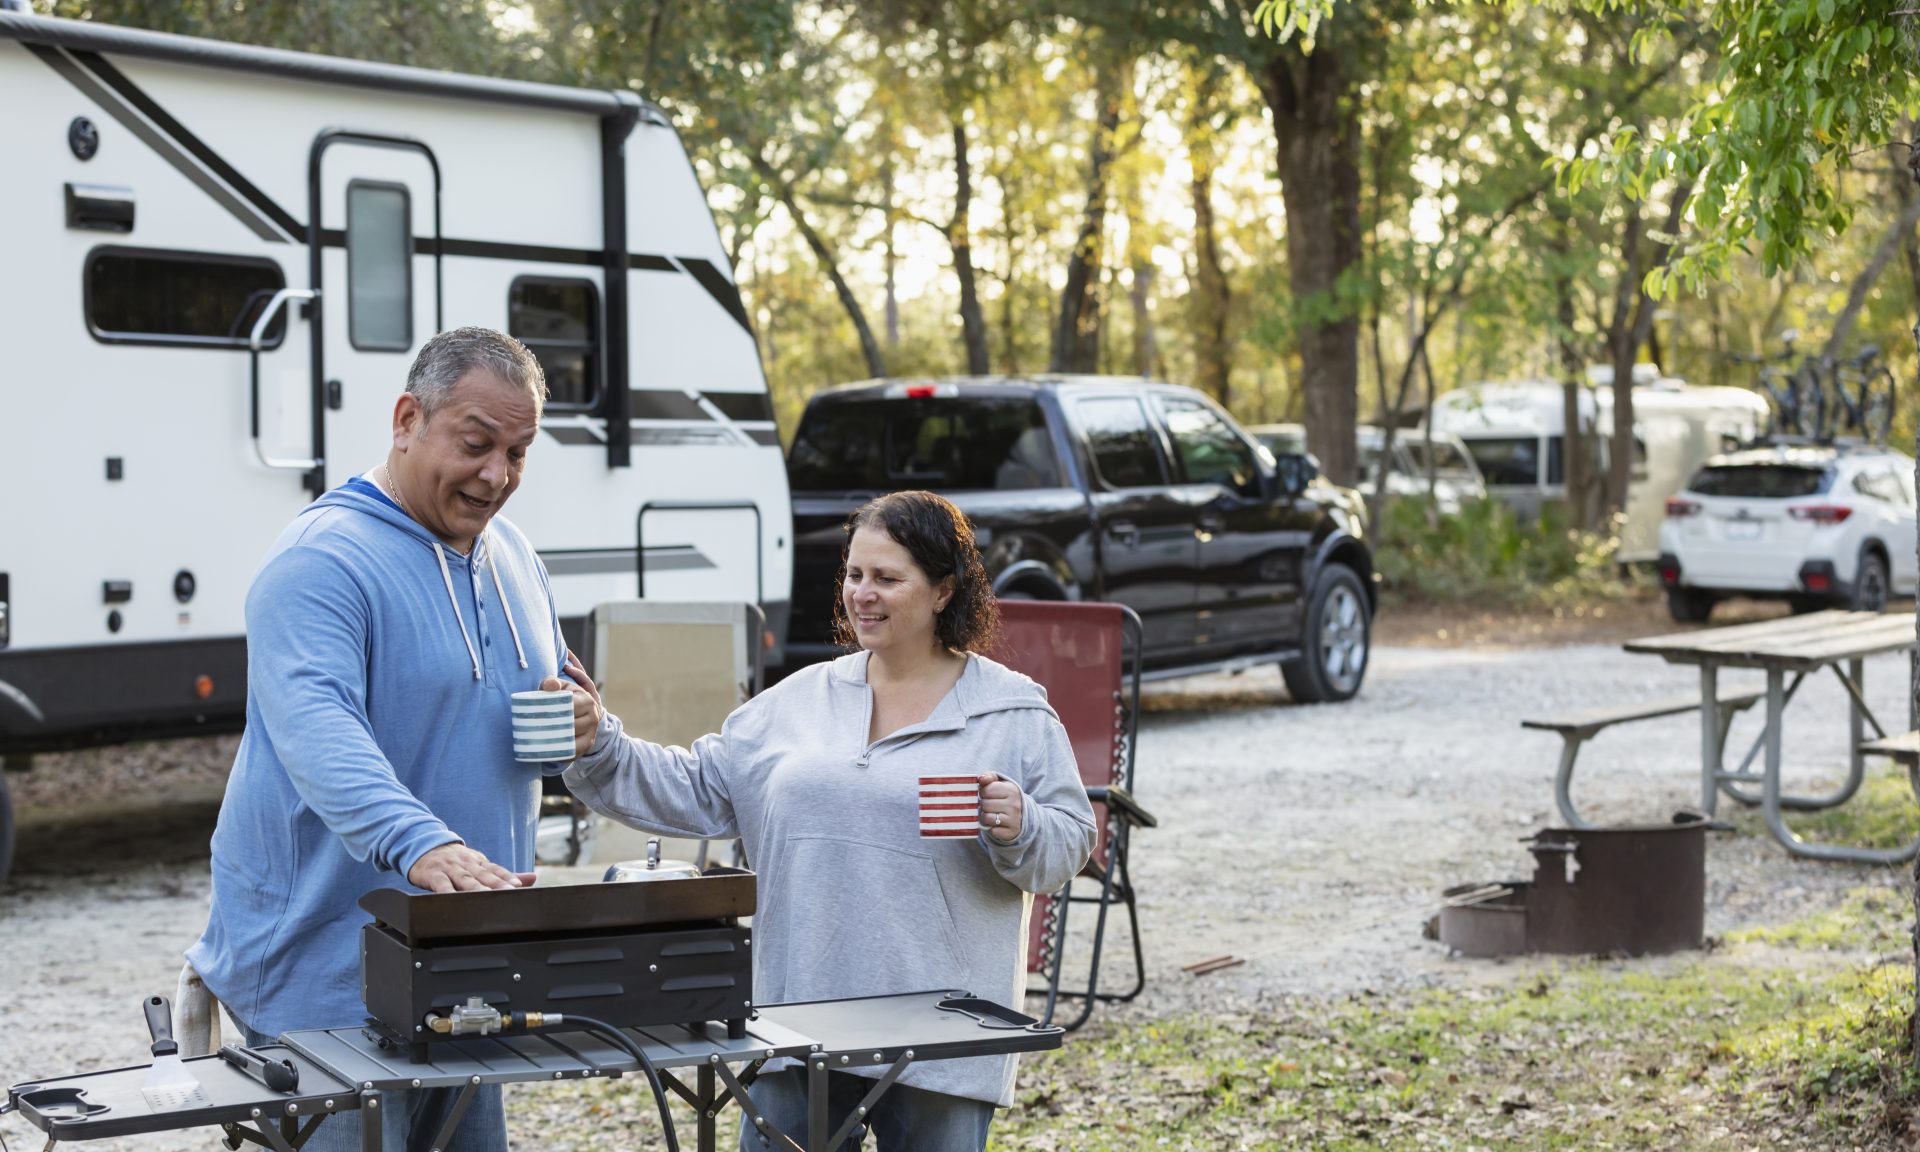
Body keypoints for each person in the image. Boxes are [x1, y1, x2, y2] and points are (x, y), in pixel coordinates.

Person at [554, 490, 1096, 1152]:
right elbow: (693, 786)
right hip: (798, 1016)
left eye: (887, 578)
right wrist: (599, 742)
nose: (862, 594)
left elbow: (1071, 841)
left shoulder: (1010, 713)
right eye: (854, 573)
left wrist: (1023, 824)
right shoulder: (797, 702)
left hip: (945, 1031)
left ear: (943, 590)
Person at [187, 327, 585, 1152]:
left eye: (518, 453)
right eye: (476, 444)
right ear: (407, 419)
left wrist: (580, 721)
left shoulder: (515, 555)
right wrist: (420, 842)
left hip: (464, 971)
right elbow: (318, 730)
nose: (497, 475)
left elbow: (531, 717)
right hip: (325, 984)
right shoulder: (320, 562)